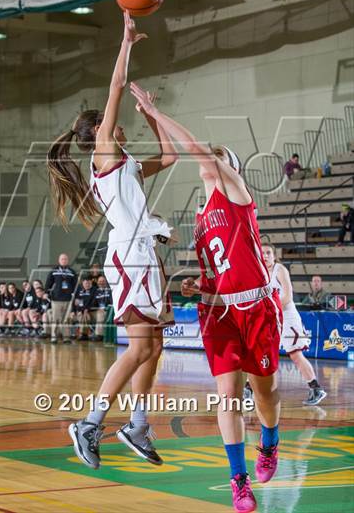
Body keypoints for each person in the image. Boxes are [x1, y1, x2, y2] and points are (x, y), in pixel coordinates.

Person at [131, 83, 282, 513]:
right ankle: (239, 480)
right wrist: (201, 286)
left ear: (226, 166)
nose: (206, 161)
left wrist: (153, 115)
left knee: (265, 392)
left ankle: (269, 441)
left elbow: (195, 148)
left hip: (257, 307)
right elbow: (216, 270)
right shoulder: (200, 218)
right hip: (218, 314)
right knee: (227, 397)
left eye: (214, 158)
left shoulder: (237, 195)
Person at [47, 11, 177, 470]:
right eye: (114, 122)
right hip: (129, 258)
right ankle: (90, 422)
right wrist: (125, 42)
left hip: (144, 255)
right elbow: (115, 87)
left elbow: (170, 154)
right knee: (140, 347)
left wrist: (154, 114)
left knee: (154, 346)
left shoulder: (128, 166)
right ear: (101, 131)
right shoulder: (104, 153)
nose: (121, 127)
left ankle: (137, 423)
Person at [262, 243, 327, 405]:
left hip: (287, 316)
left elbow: (288, 297)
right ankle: (249, 389)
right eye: (262, 253)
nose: (265, 255)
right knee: (261, 352)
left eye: (269, 252)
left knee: (295, 355)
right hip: (273, 316)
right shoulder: (260, 273)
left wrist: (271, 310)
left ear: (274, 255)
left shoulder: (280, 270)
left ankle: (316, 388)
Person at [45, 254, 78, 344]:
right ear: (59, 260)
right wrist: (46, 293)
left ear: (68, 261)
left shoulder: (72, 272)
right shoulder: (54, 271)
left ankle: (66, 338)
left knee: (66, 319)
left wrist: (76, 297)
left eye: (65, 259)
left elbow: (76, 286)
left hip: (68, 299)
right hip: (56, 299)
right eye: (62, 259)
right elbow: (48, 283)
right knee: (56, 319)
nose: (64, 260)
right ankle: (54, 337)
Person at [73, 275, 97, 341]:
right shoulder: (78, 290)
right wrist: (74, 311)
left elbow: (93, 302)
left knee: (85, 316)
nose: (87, 285)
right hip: (79, 312)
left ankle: (83, 334)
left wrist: (86, 309)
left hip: (90, 312)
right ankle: (83, 334)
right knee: (82, 315)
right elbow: (75, 302)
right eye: (85, 283)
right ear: (82, 283)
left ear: (91, 283)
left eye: (89, 283)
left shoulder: (94, 290)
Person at [93, 275, 112, 341]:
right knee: (99, 313)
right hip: (97, 311)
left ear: (106, 282)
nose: (101, 283)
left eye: (103, 281)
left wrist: (106, 308)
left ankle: (99, 335)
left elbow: (112, 303)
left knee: (100, 314)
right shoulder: (96, 291)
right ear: (97, 282)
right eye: (100, 281)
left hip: (108, 310)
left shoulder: (110, 290)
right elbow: (93, 304)